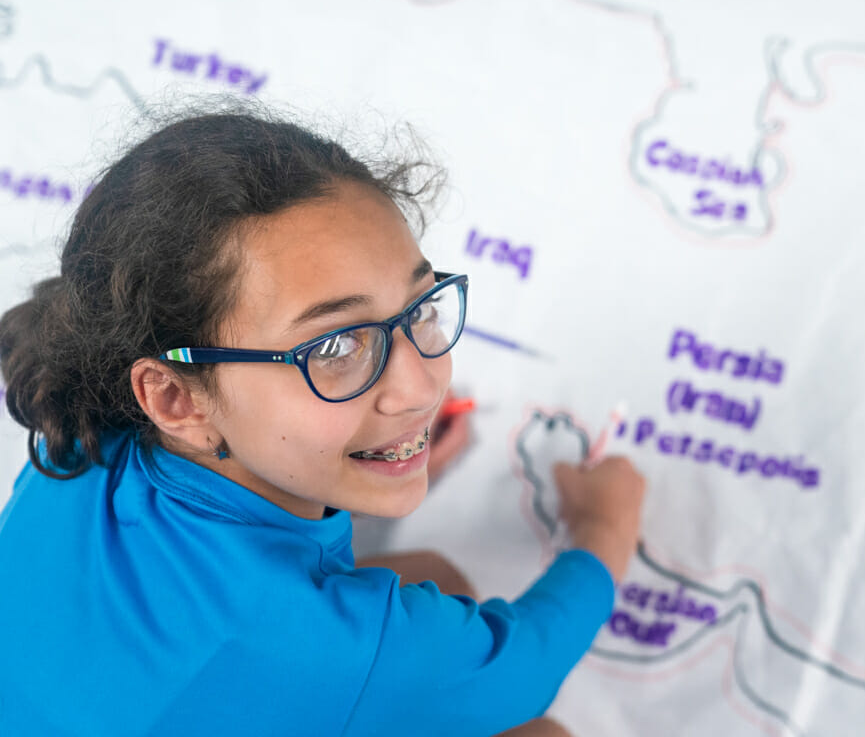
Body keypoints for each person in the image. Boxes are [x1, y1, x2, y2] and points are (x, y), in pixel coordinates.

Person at [0, 107, 645, 737]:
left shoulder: (77, 432)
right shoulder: (334, 646)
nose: (419, 388)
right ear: (175, 399)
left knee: (441, 581)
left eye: (419, 310)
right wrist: (603, 523)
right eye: (334, 348)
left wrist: (371, 450)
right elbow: (525, 669)